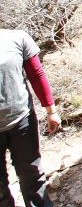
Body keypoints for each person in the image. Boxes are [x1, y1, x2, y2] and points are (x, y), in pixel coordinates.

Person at [0, 29, 61, 207]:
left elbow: (37, 74)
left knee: (33, 177)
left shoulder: (17, 38)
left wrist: (51, 111)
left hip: (22, 121)